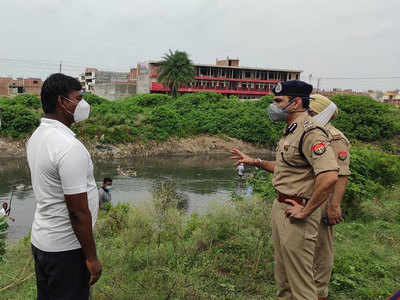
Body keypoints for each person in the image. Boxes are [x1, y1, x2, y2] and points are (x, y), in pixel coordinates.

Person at [230, 80, 339, 300]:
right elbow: (286, 168)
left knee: (301, 285)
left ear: (296, 102)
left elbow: (328, 176)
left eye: (279, 101)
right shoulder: (291, 131)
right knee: (284, 279)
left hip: (297, 211)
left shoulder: (311, 132)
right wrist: (256, 162)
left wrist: (306, 211)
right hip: (281, 207)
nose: (274, 106)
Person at [26, 73, 102, 300]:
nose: (83, 104)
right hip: (66, 251)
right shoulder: (69, 147)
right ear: (62, 102)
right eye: (78, 98)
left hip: (42, 243)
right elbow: (77, 212)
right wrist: (91, 257)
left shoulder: (37, 137)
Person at [309, 94, 351, 300]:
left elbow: (341, 175)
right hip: (309, 197)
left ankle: (319, 293)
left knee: (321, 251)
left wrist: (334, 206)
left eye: (310, 111)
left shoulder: (334, 137)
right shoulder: (310, 132)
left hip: (324, 201)